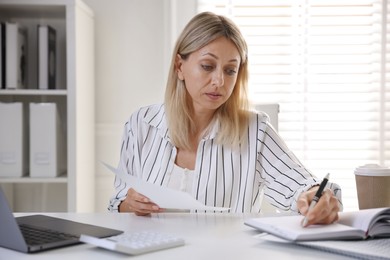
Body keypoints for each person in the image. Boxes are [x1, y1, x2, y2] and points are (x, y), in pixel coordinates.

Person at [108, 11, 342, 226]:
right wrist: (127, 205)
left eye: (230, 70)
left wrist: (315, 197)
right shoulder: (141, 124)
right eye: (208, 66)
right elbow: (117, 201)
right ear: (180, 66)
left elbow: (303, 187)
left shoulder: (255, 131)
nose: (219, 81)